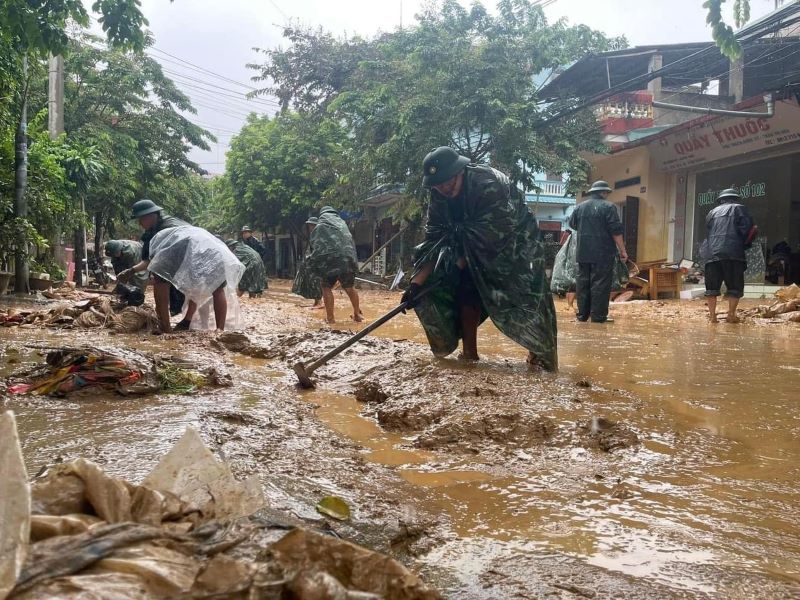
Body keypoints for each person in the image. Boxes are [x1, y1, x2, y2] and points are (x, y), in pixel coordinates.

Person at [403, 146, 558, 371]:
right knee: (467, 288)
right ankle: (469, 353)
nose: (444, 188)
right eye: (438, 184)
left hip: (516, 241)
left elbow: (495, 233)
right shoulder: (438, 195)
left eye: (447, 181)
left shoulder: (487, 184)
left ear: (459, 172)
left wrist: (460, 262)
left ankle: (538, 353)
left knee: (526, 294)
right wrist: (416, 285)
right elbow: (434, 239)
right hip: (470, 244)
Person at [568, 180, 628, 323]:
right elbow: (616, 231)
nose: (607, 194)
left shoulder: (579, 207)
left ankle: (582, 315)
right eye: (606, 192)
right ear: (603, 192)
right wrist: (622, 250)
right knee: (600, 284)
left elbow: (572, 224)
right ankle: (598, 316)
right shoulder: (609, 207)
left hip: (583, 252)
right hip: (603, 252)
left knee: (583, 283)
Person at [702, 188, 755, 324]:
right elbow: (747, 230)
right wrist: (746, 244)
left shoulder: (711, 212)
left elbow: (708, 233)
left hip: (712, 254)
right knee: (734, 287)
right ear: (736, 199)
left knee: (711, 288)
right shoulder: (740, 209)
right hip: (733, 253)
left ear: (721, 200)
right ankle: (731, 315)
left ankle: (712, 316)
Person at [306, 207, 362, 323]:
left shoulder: (320, 227)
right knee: (350, 288)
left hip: (329, 262)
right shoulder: (343, 226)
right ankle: (357, 315)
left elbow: (314, 246)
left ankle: (330, 319)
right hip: (348, 261)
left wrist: (313, 263)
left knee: (326, 287)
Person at [292, 217, 324, 309]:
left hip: (318, 263)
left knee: (317, 282)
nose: (310, 227)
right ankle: (316, 302)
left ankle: (320, 302)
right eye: (310, 225)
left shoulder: (319, 235)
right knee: (312, 282)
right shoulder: (313, 235)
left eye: (312, 225)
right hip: (311, 263)